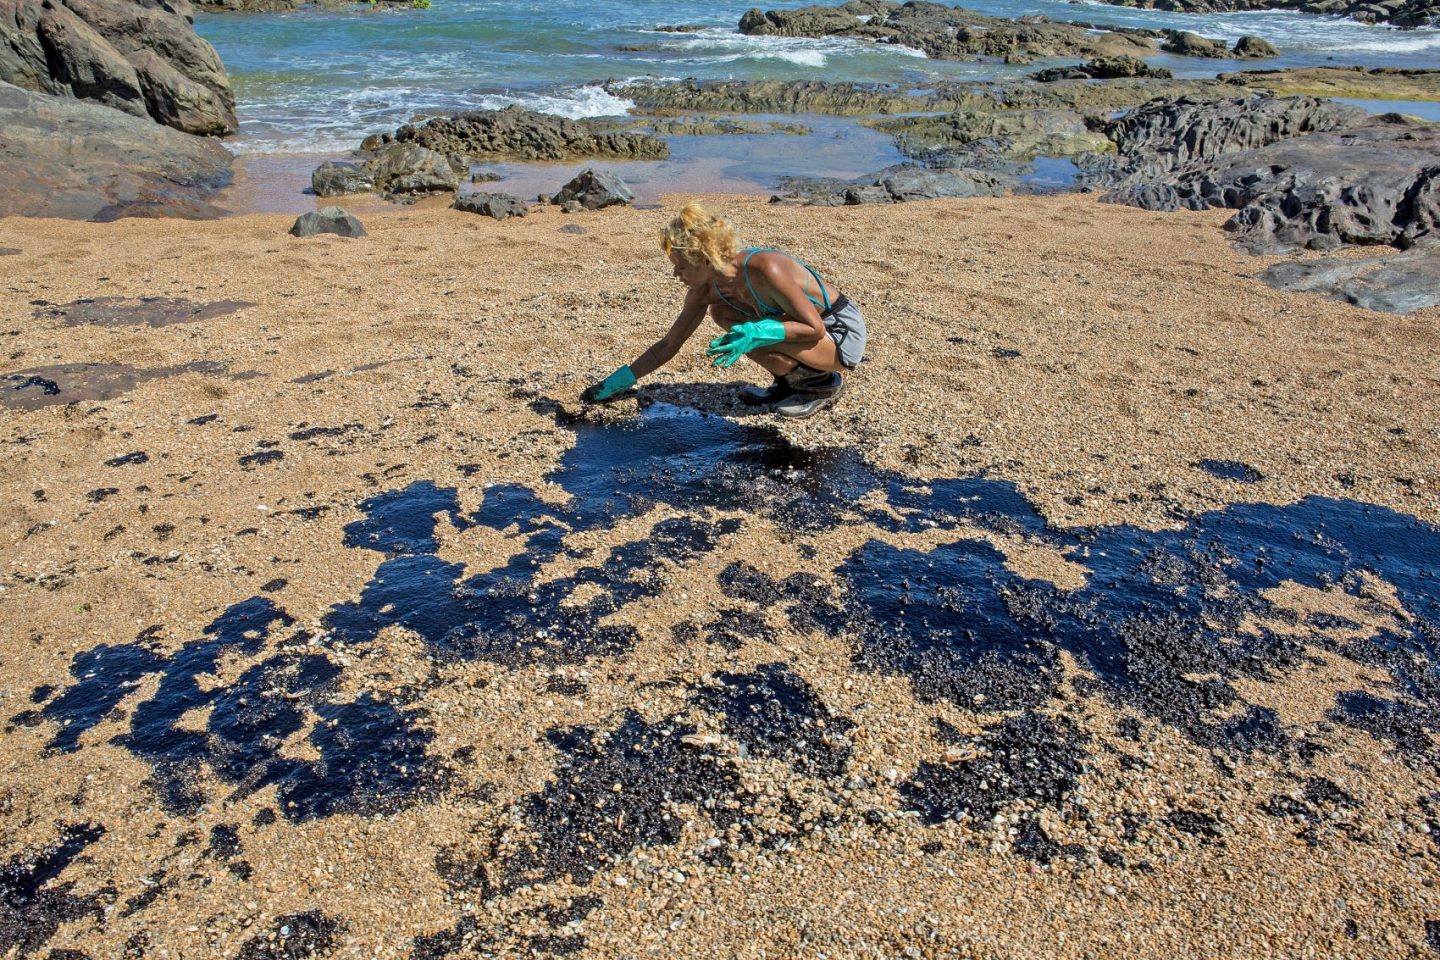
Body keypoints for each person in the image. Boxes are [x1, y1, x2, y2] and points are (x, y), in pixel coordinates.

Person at [580, 202, 866, 419]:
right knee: (725, 317)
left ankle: (822, 384)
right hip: (807, 334)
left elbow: (814, 327)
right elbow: (668, 345)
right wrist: (618, 381)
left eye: (681, 266)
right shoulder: (703, 293)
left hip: (838, 333)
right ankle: (791, 384)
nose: (675, 274)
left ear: (705, 260)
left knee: (747, 332)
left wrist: (759, 331)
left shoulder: (766, 268)